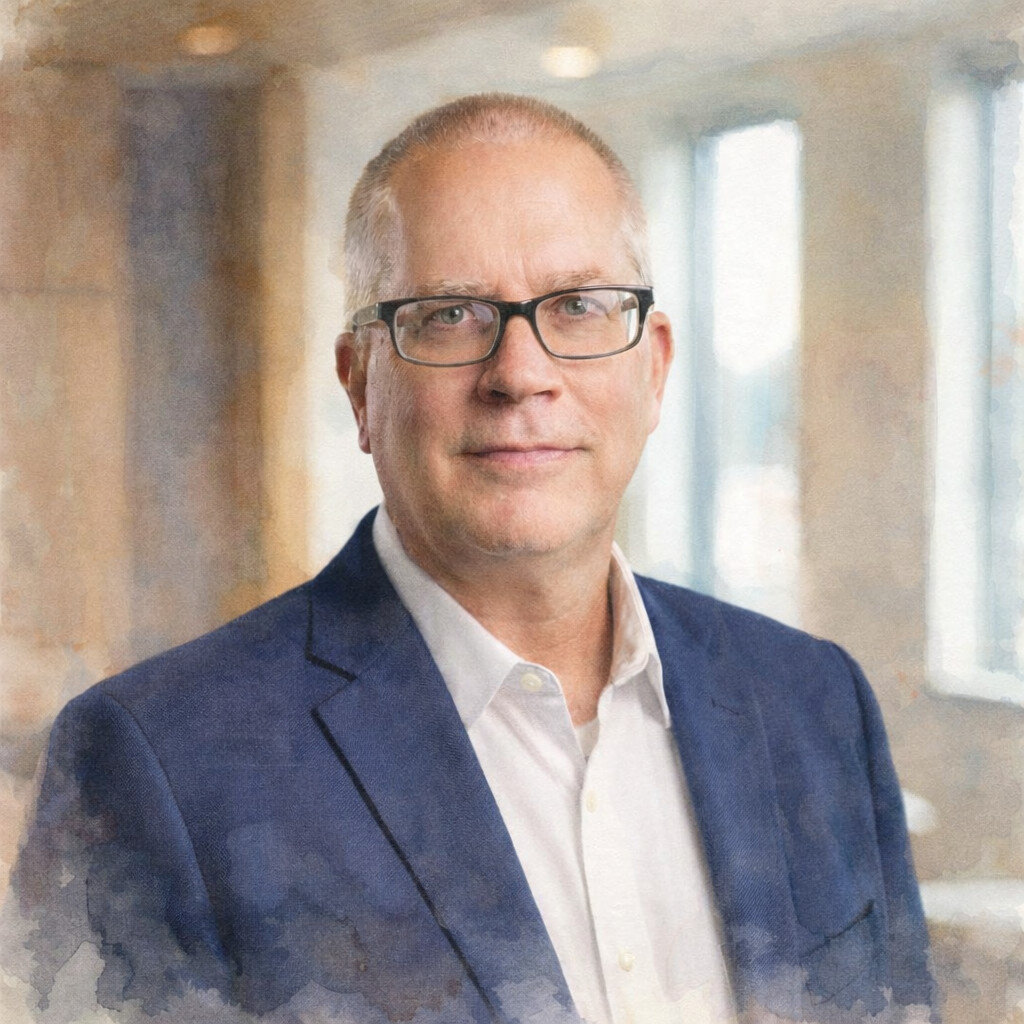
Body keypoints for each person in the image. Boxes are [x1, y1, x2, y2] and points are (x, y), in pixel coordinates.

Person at [3, 94, 936, 1024]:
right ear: (360, 382)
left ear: (653, 367)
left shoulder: (814, 704)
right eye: (450, 314)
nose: (521, 373)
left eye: (576, 307)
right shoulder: (158, 764)